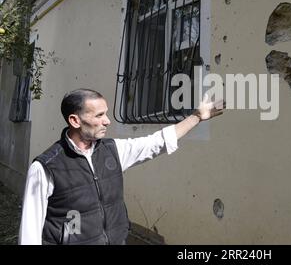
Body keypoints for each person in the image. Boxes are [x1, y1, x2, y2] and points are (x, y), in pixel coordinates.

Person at [18, 88, 224, 245]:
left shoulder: (113, 150)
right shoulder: (46, 167)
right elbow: (30, 232)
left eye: (106, 113)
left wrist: (197, 116)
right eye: (99, 115)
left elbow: (157, 142)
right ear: (75, 120)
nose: (107, 121)